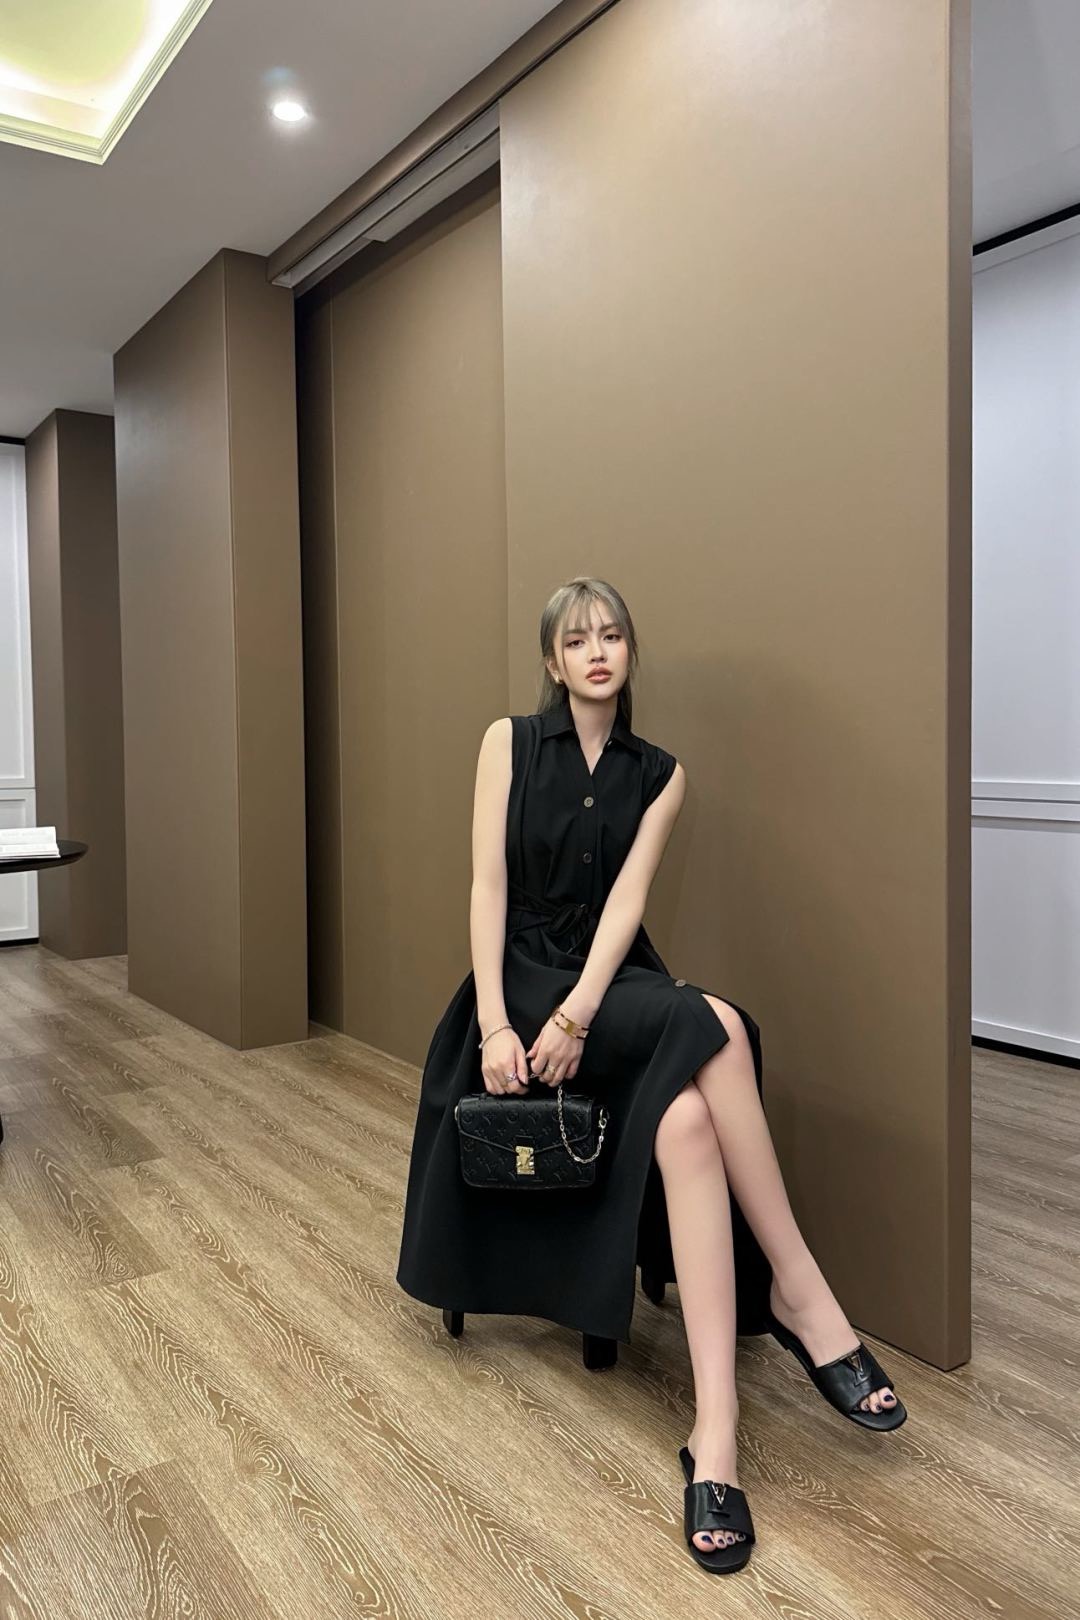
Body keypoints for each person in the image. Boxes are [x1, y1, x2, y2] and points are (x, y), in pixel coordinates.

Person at [396, 575, 906, 1576]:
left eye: (612, 635)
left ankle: (717, 1433)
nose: (597, 651)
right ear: (553, 662)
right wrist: (500, 1021)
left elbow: (627, 907)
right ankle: (798, 1300)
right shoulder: (507, 743)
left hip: (606, 983)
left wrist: (582, 1014)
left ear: (630, 653)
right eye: (576, 640)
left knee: (692, 1104)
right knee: (715, 1042)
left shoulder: (661, 776)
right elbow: (487, 888)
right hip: (521, 978)